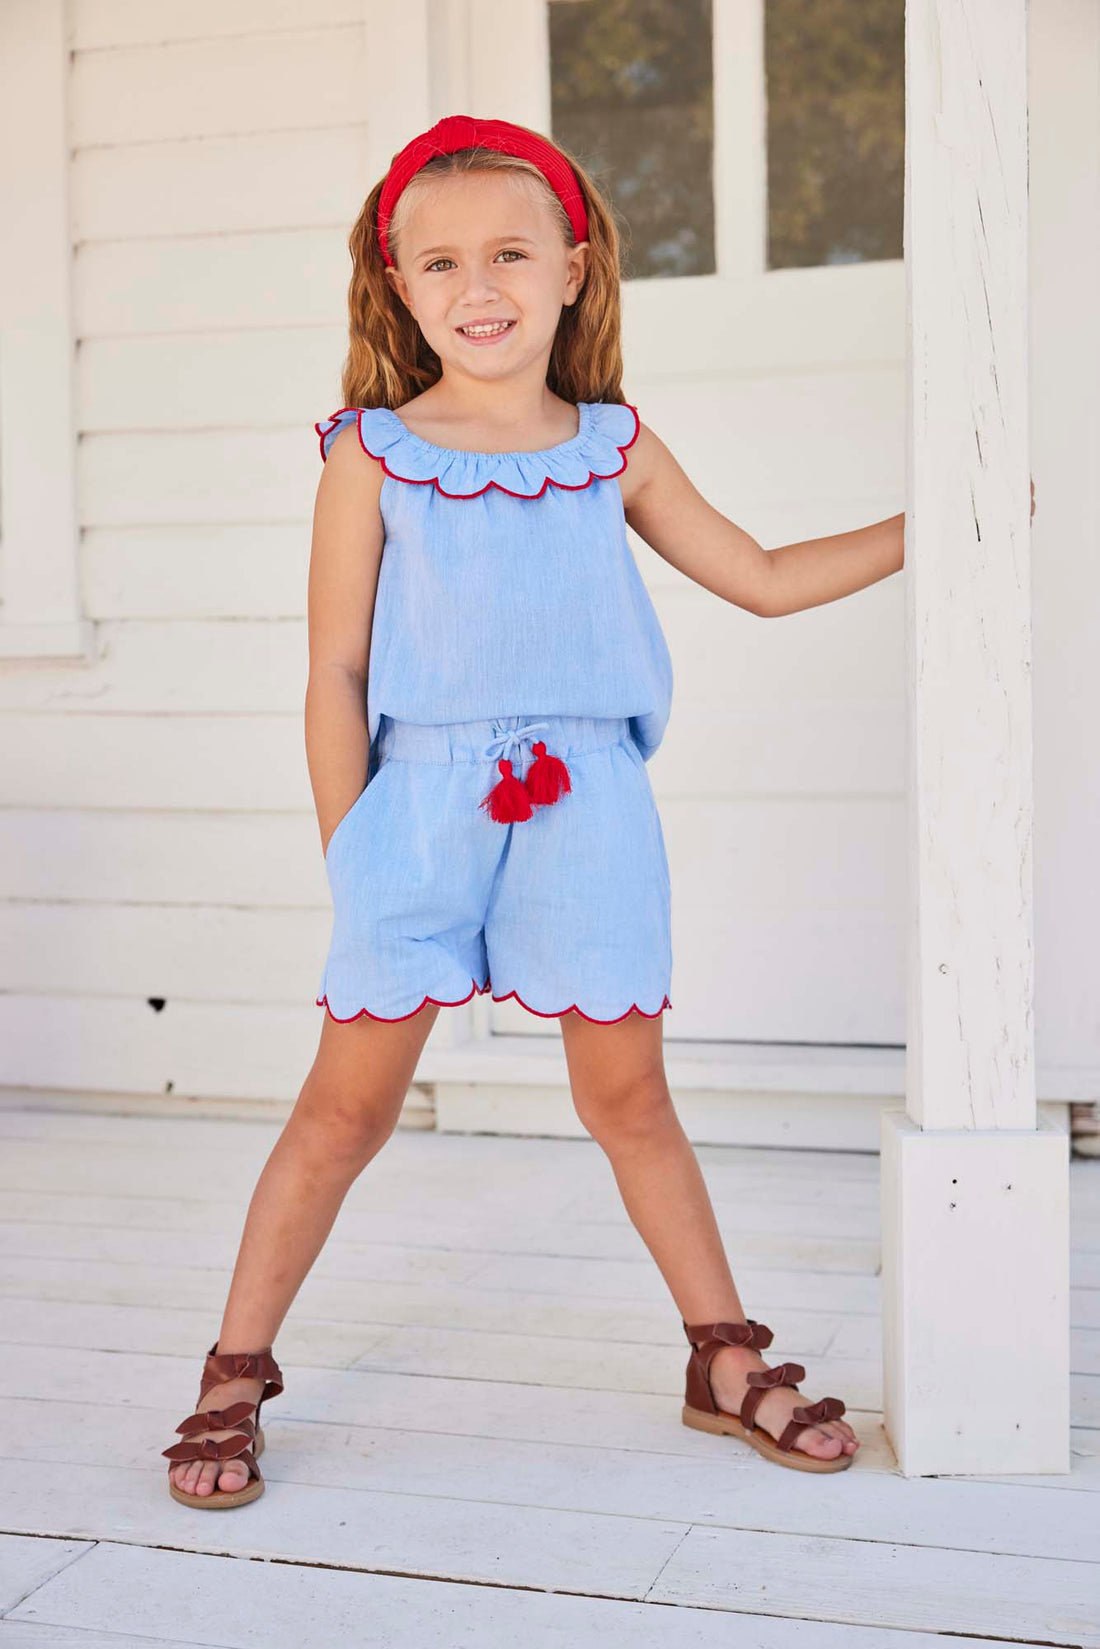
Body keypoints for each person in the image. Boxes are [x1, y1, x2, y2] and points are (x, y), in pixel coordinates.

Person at [163, 110, 906, 1510]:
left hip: (591, 808)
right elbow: (333, 665)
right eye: (438, 262)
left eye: (511, 251)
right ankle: (234, 1365)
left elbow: (757, 573)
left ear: (575, 265)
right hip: (421, 804)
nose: (478, 285)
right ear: (396, 285)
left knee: (628, 1096)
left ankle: (721, 1354)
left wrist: (942, 522)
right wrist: (356, 848)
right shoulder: (372, 453)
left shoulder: (614, 444)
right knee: (345, 1106)